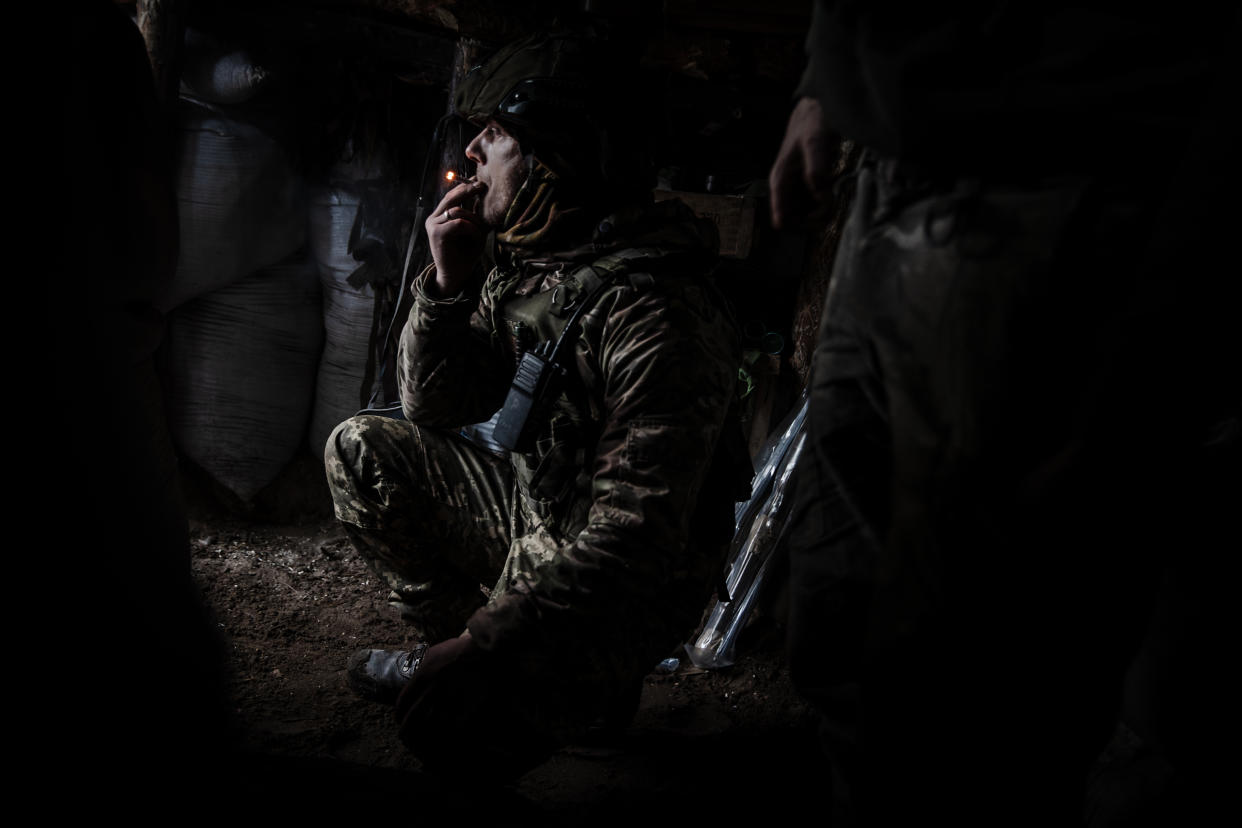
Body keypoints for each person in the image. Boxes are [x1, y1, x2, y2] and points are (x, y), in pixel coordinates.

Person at [769, 3, 1240, 826]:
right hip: (890, 168)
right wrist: (822, 82)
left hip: (1065, 181)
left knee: (980, 664)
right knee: (834, 602)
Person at [324, 29, 748, 780]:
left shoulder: (654, 314)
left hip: (623, 579)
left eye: (499, 136)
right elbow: (433, 407)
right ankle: (469, 658)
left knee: (447, 730)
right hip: (541, 514)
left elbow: (633, 541)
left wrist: (489, 643)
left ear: (557, 159)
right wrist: (448, 287)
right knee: (363, 449)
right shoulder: (537, 267)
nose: (477, 152)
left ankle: (589, 687)